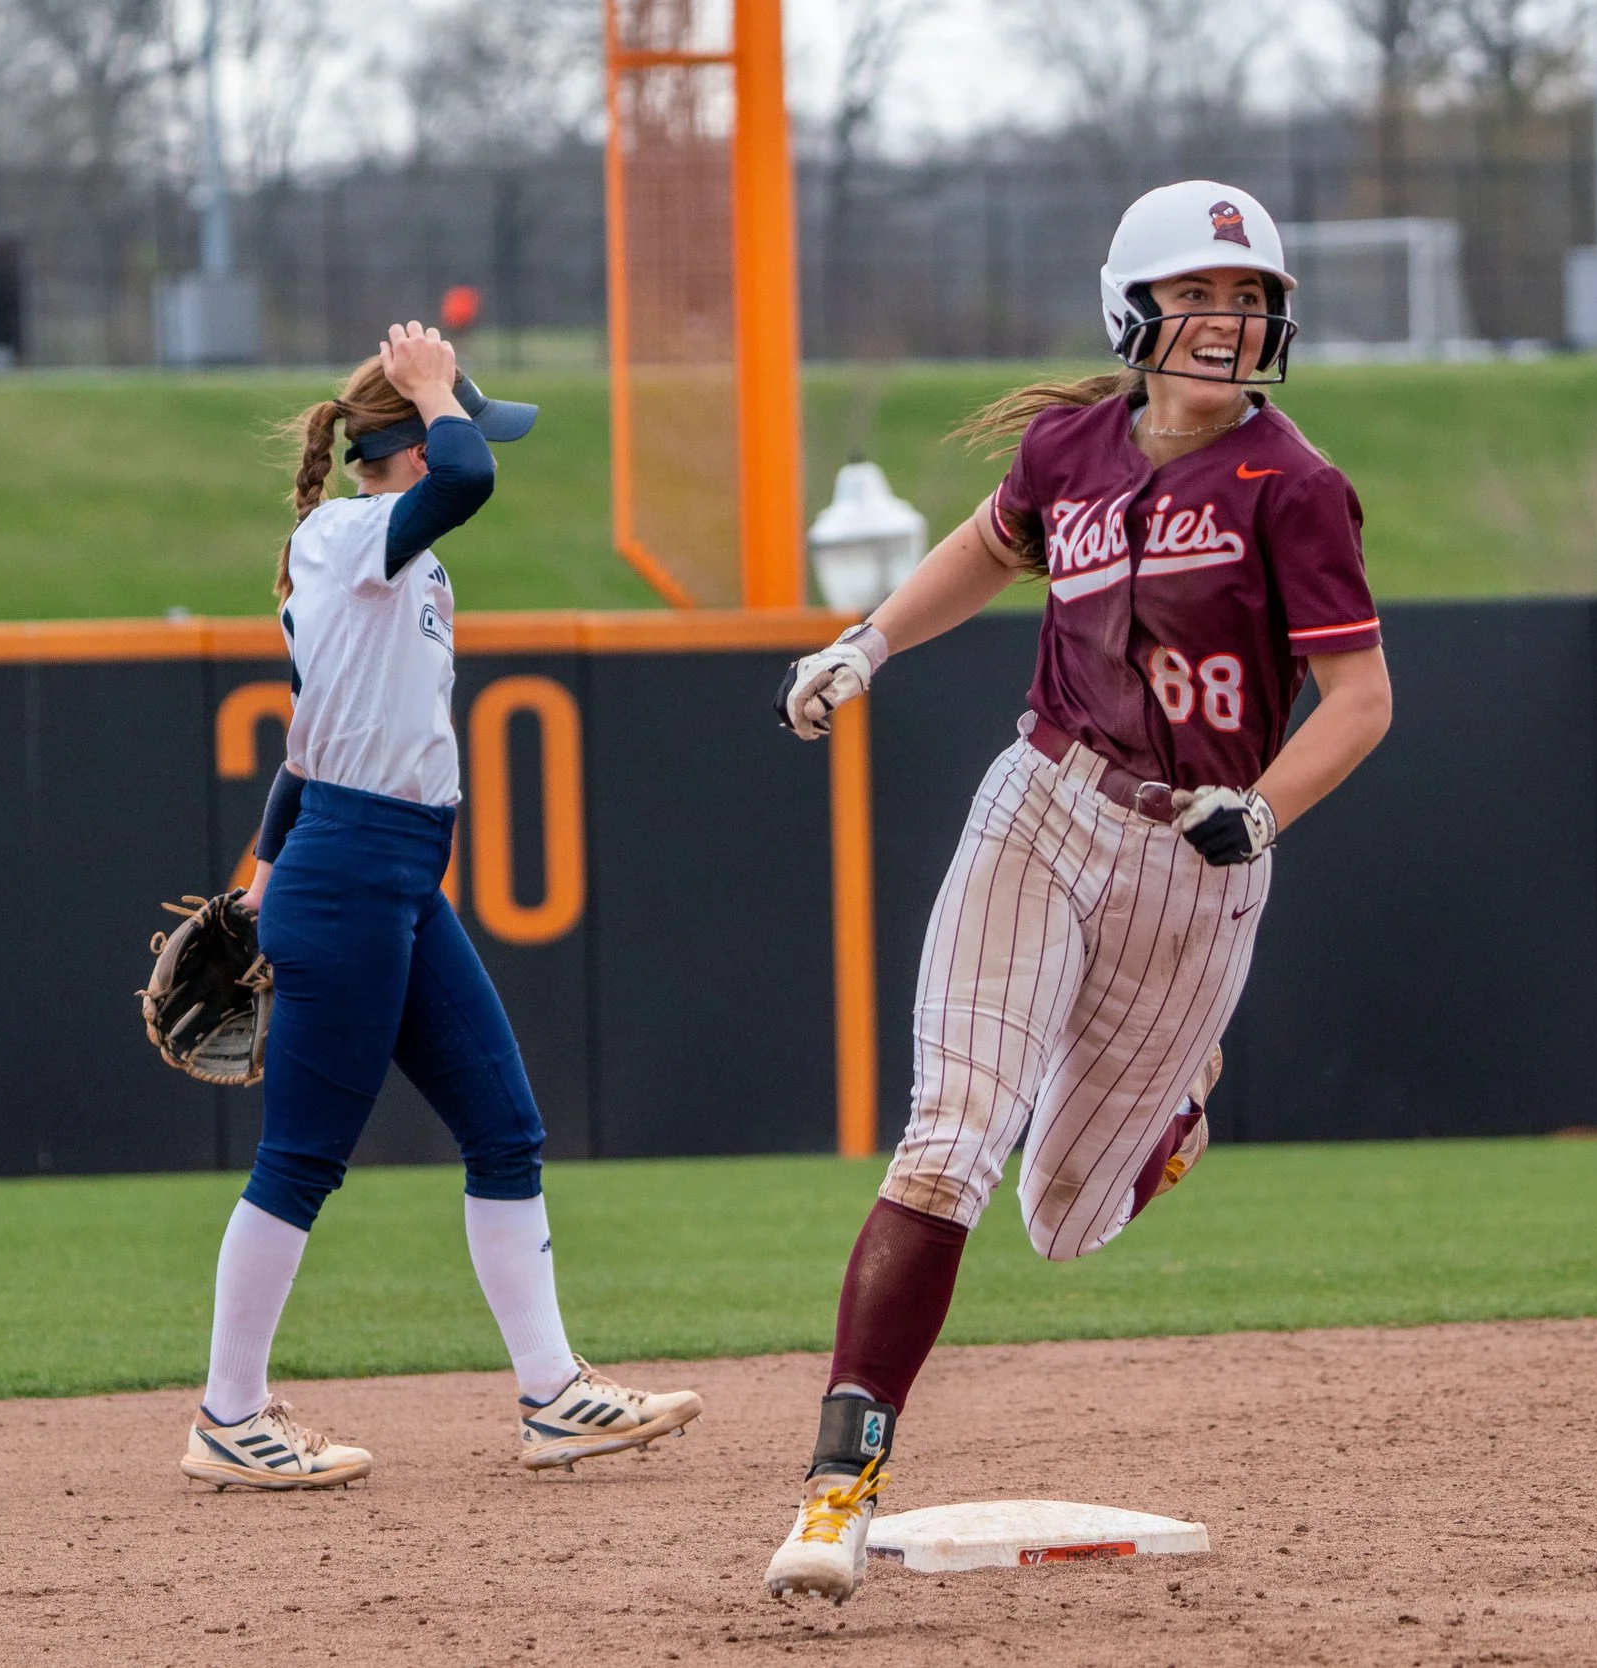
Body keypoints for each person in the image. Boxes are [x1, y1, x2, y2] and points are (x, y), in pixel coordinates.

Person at [762, 181, 1392, 1600]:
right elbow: (987, 548)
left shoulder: (1292, 483)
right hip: (1044, 802)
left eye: (1249, 297)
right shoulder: (1069, 449)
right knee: (948, 1142)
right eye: (1198, 293)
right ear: (1133, 308)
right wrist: (866, 643)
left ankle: (1174, 1116)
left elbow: (1361, 699)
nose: (1227, 319)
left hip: (1196, 857)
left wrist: (1262, 808)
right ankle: (836, 1488)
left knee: (1063, 1220)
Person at [179, 322, 702, 1490]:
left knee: (504, 1127)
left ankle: (554, 1395)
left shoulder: (389, 557)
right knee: (302, 1157)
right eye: (454, 419)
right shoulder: (348, 532)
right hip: (353, 874)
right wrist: (429, 388)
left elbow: (305, 751)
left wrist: (257, 880)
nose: (472, 436)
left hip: (392, 871)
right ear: (412, 442)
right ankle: (228, 1415)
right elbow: (468, 475)